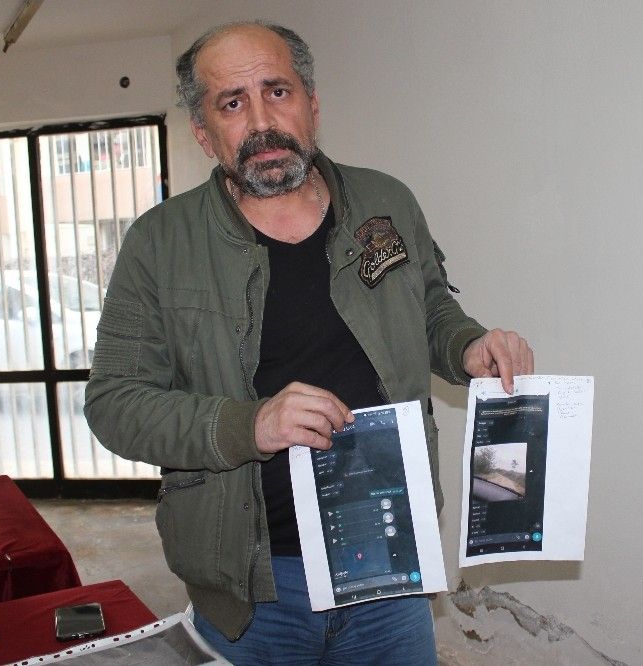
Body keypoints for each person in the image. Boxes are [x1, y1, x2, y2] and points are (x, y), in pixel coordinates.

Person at [84, 20, 533, 665]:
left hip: (388, 557)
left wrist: (467, 347)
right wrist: (250, 425)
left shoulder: (385, 201)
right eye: (232, 103)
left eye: (278, 91)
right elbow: (114, 403)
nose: (262, 121)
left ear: (312, 104)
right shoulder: (159, 244)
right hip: (251, 584)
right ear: (203, 133)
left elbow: (431, 306)